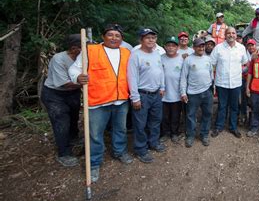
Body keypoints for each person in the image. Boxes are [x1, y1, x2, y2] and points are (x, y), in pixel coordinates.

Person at [69, 24, 133, 183]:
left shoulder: (126, 52)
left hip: (121, 100)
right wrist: (78, 77)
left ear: (121, 38)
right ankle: (94, 163)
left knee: (120, 129)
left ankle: (119, 151)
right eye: (110, 35)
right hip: (98, 101)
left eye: (117, 36)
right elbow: (74, 69)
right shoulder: (90, 51)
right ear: (103, 37)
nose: (114, 38)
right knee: (95, 134)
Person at [41, 34, 82, 167]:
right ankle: (64, 153)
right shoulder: (59, 59)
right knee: (61, 121)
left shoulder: (82, 58)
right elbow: (64, 83)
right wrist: (88, 84)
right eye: (83, 47)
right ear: (74, 48)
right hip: (55, 94)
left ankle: (73, 138)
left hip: (73, 93)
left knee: (74, 116)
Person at [127, 28, 166, 163]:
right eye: (147, 37)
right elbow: (131, 77)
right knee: (140, 123)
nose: (151, 40)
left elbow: (160, 71)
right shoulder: (135, 55)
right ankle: (140, 149)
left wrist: (162, 87)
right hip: (142, 94)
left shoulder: (156, 54)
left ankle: (153, 142)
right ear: (141, 40)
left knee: (155, 120)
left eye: (153, 38)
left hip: (156, 94)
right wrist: (135, 97)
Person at [210, 27, 249, 138]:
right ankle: (219, 126)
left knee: (234, 106)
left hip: (236, 83)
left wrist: (238, 71)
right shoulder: (218, 48)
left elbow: (245, 63)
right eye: (228, 33)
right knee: (222, 106)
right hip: (222, 83)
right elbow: (211, 64)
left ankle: (233, 127)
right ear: (225, 35)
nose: (231, 35)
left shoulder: (241, 48)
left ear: (236, 35)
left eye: (233, 33)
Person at [180, 38, 214, 147]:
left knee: (207, 114)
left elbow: (211, 74)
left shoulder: (208, 59)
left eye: (203, 46)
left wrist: (212, 88)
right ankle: (190, 135)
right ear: (194, 47)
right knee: (190, 115)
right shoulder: (188, 60)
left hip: (207, 92)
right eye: (199, 46)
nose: (201, 48)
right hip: (193, 93)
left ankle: (204, 134)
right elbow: (183, 77)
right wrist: (183, 93)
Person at [161, 36, 184, 142]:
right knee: (164, 116)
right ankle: (165, 133)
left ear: (177, 47)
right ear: (165, 47)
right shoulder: (160, 58)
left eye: (173, 46)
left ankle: (174, 133)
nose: (171, 48)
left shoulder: (182, 59)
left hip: (177, 93)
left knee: (175, 115)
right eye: (168, 46)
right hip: (163, 93)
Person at [240, 39, 257, 123]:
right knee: (243, 99)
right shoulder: (243, 55)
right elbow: (241, 69)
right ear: (246, 46)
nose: (251, 47)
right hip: (244, 79)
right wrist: (248, 65)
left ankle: (253, 118)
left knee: (253, 100)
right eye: (249, 45)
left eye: (252, 45)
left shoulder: (258, 54)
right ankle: (243, 116)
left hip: (255, 80)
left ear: (255, 46)